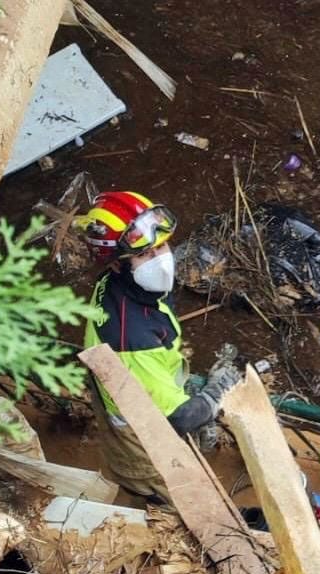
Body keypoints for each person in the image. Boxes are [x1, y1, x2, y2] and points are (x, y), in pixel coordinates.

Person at [78, 191, 239, 501]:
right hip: (142, 445)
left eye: (161, 246)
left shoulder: (122, 285)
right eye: (145, 255)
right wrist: (213, 397)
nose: (162, 261)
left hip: (134, 392)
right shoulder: (132, 339)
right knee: (181, 500)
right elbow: (175, 419)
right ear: (116, 265)